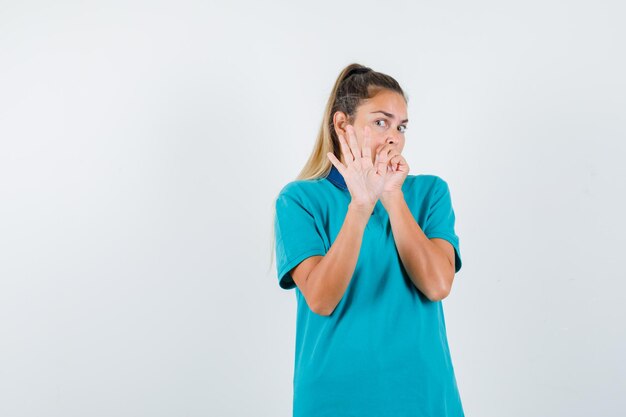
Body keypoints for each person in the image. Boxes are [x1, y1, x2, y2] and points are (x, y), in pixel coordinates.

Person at [272, 63, 465, 417]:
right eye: (381, 122)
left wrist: (391, 197)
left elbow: (438, 284)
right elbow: (321, 298)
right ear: (343, 124)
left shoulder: (429, 193)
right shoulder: (299, 200)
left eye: (401, 126)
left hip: (423, 396)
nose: (394, 136)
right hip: (336, 399)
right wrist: (360, 206)